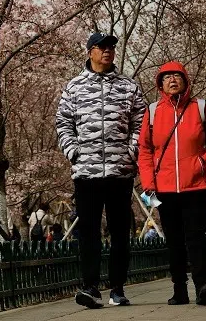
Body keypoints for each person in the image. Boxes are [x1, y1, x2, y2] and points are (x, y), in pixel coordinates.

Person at [55, 32, 146, 308]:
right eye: (101, 47)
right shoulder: (74, 87)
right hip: (87, 173)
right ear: (90, 51)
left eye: (111, 47)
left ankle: (117, 289)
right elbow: (63, 123)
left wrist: (131, 151)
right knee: (89, 232)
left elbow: (141, 124)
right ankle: (90, 288)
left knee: (120, 232)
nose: (107, 51)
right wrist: (74, 152)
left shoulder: (129, 87)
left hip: (120, 173)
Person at [138, 61, 206, 307]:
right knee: (174, 241)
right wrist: (149, 182)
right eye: (166, 77)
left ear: (185, 81)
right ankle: (179, 289)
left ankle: (202, 284)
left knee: (196, 237)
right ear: (160, 84)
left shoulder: (200, 107)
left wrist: (205, 161)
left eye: (177, 76)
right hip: (164, 189)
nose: (172, 80)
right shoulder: (153, 111)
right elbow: (145, 149)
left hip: (194, 186)